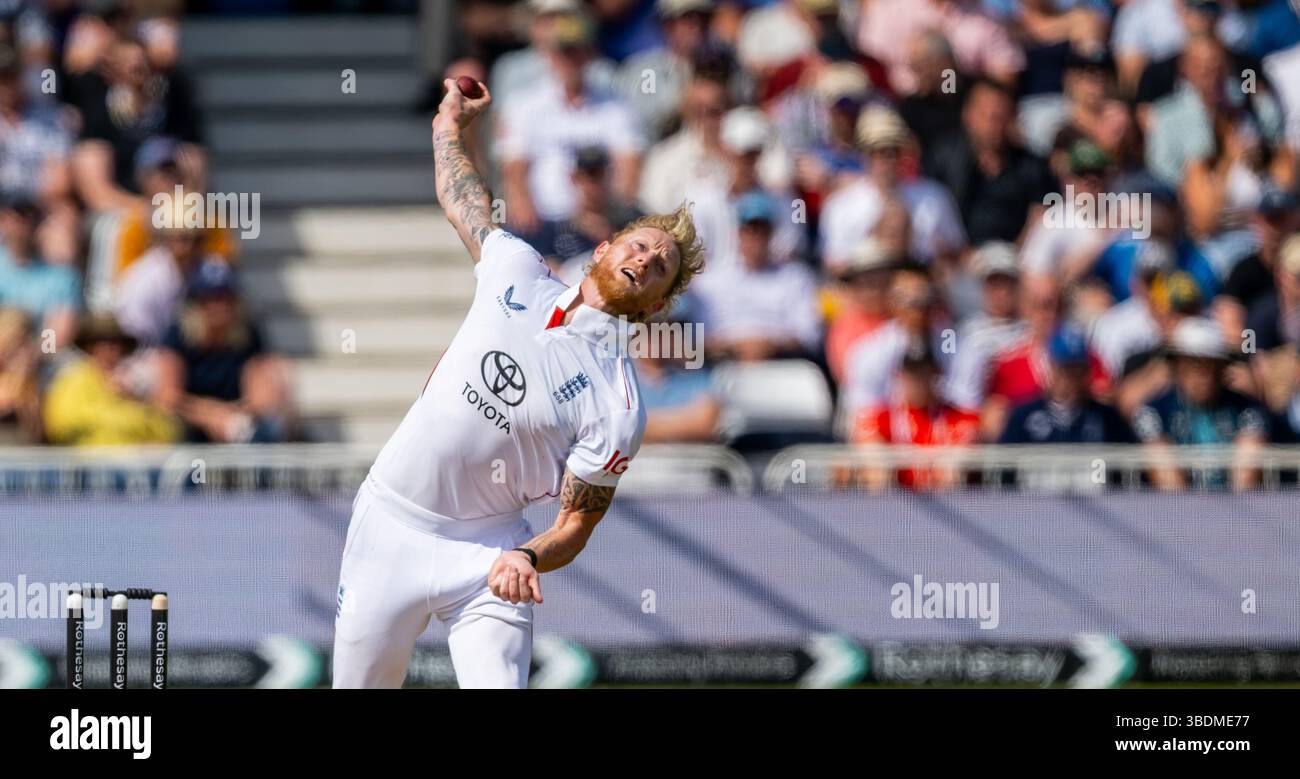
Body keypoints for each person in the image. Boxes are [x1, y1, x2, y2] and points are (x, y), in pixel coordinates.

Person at [333, 75, 705, 689]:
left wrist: (525, 557)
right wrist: (448, 125)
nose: (644, 260)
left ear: (658, 304)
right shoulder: (519, 269)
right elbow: (466, 201)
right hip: (389, 521)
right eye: (639, 245)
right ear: (607, 246)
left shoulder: (619, 405)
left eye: (660, 267)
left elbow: (574, 527)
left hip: (488, 555)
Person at [1133, 317, 1270, 490]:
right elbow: (1166, 480)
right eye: (1191, 364)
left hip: (1236, 512)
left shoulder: (1249, 411)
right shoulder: (1152, 412)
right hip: (1176, 513)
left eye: (1209, 365)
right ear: (1176, 367)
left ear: (1222, 368)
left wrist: (1232, 513)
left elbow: (1246, 479)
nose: (1201, 374)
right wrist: (1189, 512)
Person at [42, 313, 180, 446]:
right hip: (90, 466)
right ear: (91, 346)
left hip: (133, 466)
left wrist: (133, 398)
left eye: (116, 342)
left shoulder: (136, 383)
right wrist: (121, 418)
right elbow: (60, 423)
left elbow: (167, 431)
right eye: (104, 342)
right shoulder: (73, 379)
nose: (111, 348)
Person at [1000, 325, 1137, 445]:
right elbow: (1003, 466)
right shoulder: (1024, 417)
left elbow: (1126, 464)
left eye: (1076, 370)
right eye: (1063, 370)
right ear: (1051, 369)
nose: (1069, 379)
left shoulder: (1106, 418)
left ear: (1086, 373)